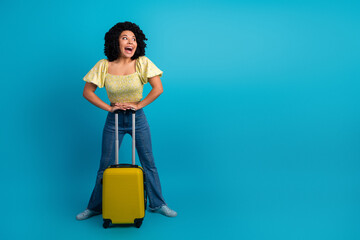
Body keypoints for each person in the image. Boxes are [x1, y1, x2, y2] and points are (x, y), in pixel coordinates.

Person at [76, 21, 177, 221]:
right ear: (116, 42)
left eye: (133, 39)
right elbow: (87, 92)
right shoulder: (103, 66)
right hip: (113, 119)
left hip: (136, 118)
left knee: (148, 162)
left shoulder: (142, 63)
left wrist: (138, 106)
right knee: (105, 164)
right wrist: (109, 107)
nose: (131, 42)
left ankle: (158, 204)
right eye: (125, 38)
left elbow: (158, 88)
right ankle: (95, 207)